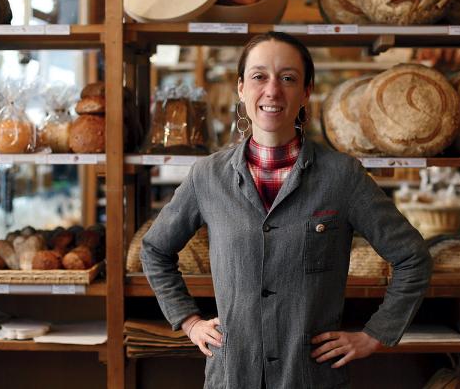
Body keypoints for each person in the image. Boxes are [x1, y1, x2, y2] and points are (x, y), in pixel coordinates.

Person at [141, 31, 432, 389]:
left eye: (288, 78)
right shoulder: (207, 177)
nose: (273, 90)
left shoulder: (342, 176)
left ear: (306, 91)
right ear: (241, 88)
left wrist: (374, 334)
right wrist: (188, 321)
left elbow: (413, 258)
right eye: (259, 76)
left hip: (310, 377)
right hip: (233, 377)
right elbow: (155, 249)